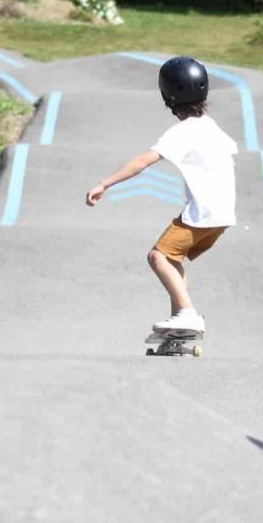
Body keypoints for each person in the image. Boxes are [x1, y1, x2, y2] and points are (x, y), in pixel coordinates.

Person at [85, 56, 238, 336]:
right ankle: (179, 318)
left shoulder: (183, 132)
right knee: (172, 257)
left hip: (203, 213)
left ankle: (187, 314)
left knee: (158, 257)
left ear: (167, 96)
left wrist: (104, 183)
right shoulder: (210, 126)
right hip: (223, 214)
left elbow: (142, 162)